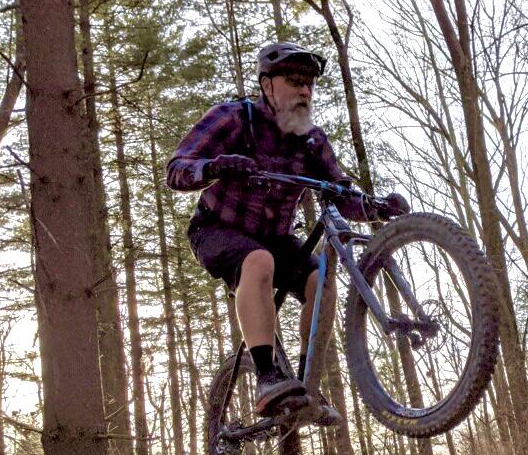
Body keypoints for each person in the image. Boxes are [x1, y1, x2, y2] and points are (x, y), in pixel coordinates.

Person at [167, 42, 409, 420]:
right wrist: (215, 167)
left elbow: (341, 193)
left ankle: (302, 384)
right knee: (258, 260)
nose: (305, 91)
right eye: (295, 82)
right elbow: (177, 169)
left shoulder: (311, 139)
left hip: (276, 238)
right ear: (267, 85)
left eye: (310, 85)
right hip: (217, 230)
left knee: (322, 280)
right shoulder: (233, 118)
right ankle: (266, 377)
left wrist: (375, 208)